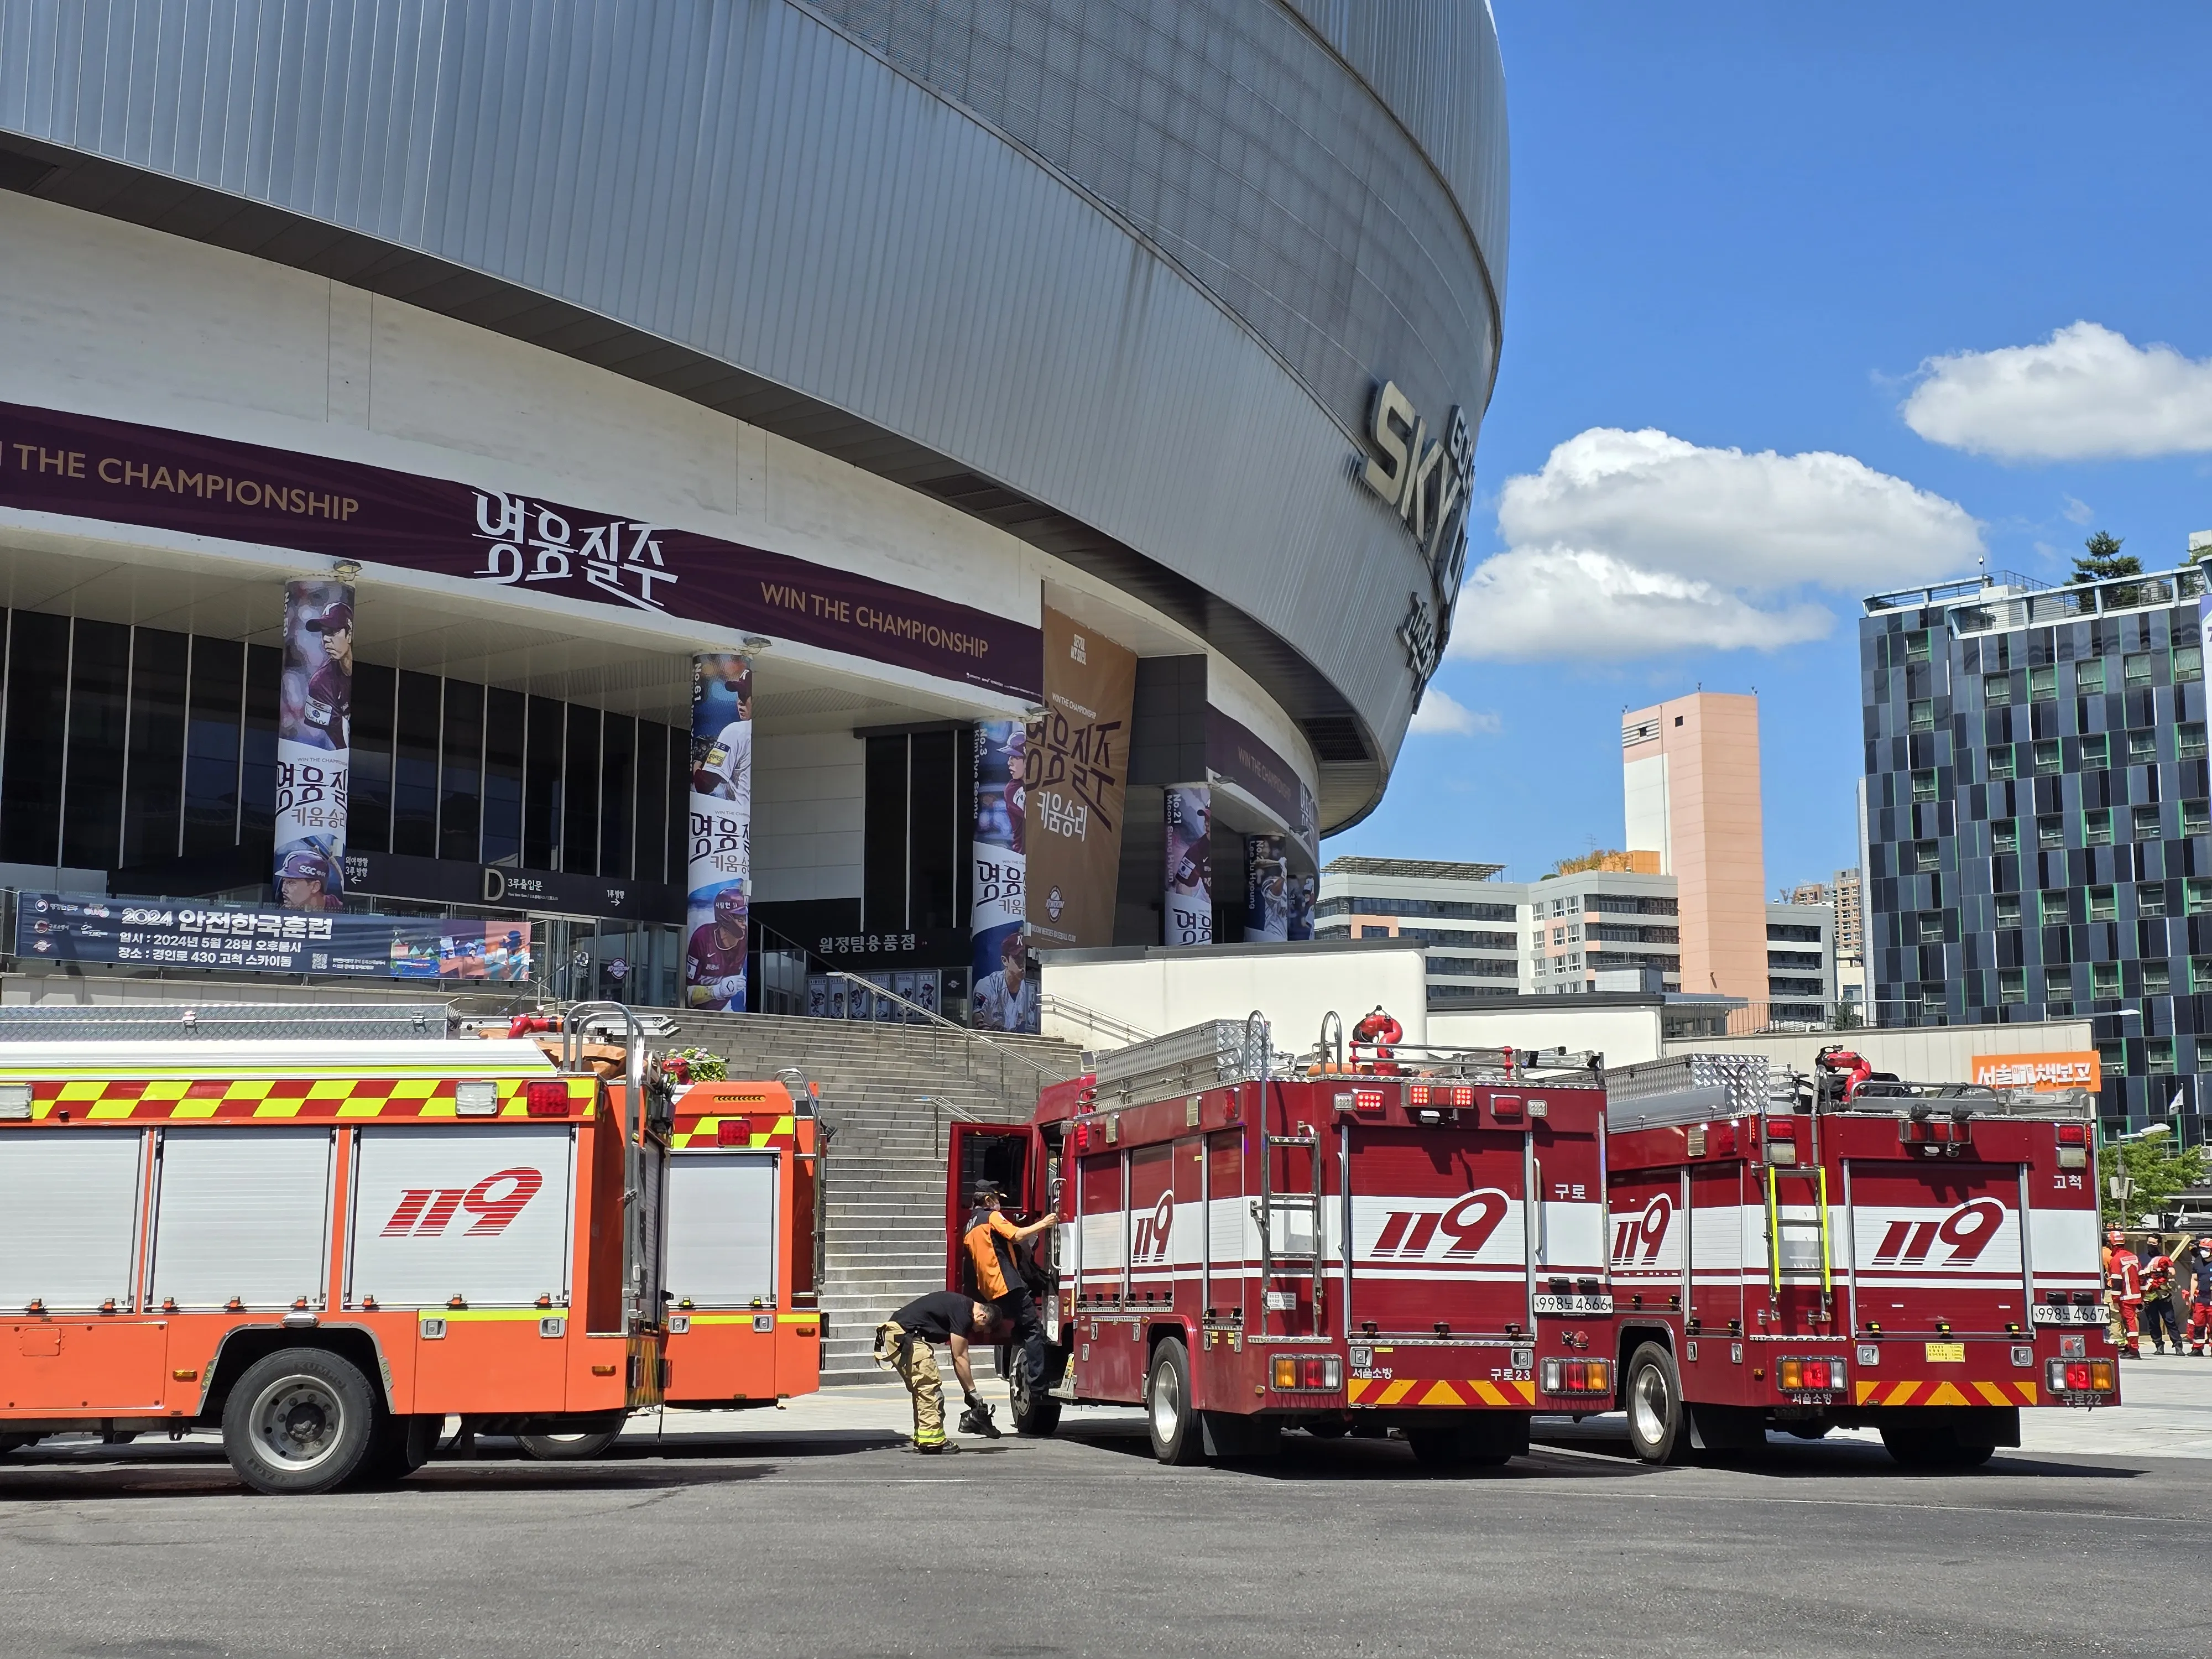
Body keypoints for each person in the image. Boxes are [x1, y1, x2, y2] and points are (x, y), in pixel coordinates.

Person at [963, 1183, 1057, 1406]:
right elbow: (1016, 1235)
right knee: (1034, 1330)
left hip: (989, 1289)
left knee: (1020, 1327)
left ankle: (1019, 1341)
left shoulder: (970, 1224)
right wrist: (1044, 1223)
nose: (999, 1204)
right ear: (987, 1200)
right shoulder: (991, 1217)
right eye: (997, 1199)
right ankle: (1038, 1386)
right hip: (1008, 1284)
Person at [874, 1290, 999, 1454]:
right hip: (905, 1336)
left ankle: (924, 1439)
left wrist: (968, 1390)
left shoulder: (961, 1305)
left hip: (901, 1335)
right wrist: (972, 1392)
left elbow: (959, 1357)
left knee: (923, 1391)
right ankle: (934, 1441)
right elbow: (960, 1357)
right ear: (982, 1316)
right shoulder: (963, 1313)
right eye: (982, 1328)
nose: (977, 1332)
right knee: (929, 1389)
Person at [300, 601, 354, 750]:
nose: (325, 639)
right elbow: (342, 747)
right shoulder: (321, 683)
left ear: (349, 635)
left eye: (332, 632)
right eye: (324, 633)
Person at [685, 886, 748, 1010]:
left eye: (744, 918)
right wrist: (715, 991)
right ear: (726, 918)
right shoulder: (702, 938)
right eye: (740, 919)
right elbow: (687, 993)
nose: (744, 924)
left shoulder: (743, 941)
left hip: (724, 1007)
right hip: (696, 1010)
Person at [972, 930, 1039, 1033]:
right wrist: (982, 1025)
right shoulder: (988, 985)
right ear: (1005, 961)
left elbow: (1025, 1021)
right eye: (1017, 959)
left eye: (1023, 959)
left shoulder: (1026, 988)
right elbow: (977, 1015)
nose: (1022, 964)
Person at [2106, 1229, 2143, 1359]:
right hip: (2135, 1296)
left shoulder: (2116, 1259)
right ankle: (2131, 1347)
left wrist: (2115, 1300)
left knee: (2129, 1323)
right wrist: (2142, 1296)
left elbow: (2116, 1282)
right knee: (2132, 1321)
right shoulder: (2133, 1257)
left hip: (2125, 1297)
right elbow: (2141, 1277)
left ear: (2111, 1244)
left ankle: (2133, 1350)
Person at [2141, 1247, 2182, 1355]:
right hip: (2150, 1300)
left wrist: (2166, 1275)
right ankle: (2159, 1345)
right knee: (2153, 1323)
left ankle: (2178, 1346)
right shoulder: (2145, 1266)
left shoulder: (2165, 1266)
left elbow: (2173, 1276)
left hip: (2164, 1298)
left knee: (2170, 1321)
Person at [276, 846, 334, 912]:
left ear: (315, 887)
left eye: (291, 882)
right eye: (284, 881)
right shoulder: (282, 913)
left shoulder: (341, 912)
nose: (283, 890)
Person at [2185, 1235, 2212, 1357]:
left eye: (2206, 1250)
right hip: (2201, 1298)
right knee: (2199, 1324)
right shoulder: (2198, 1261)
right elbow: (2195, 1278)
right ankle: (2197, 1348)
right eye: (2202, 1249)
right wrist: (2192, 1294)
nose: (2203, 1252)